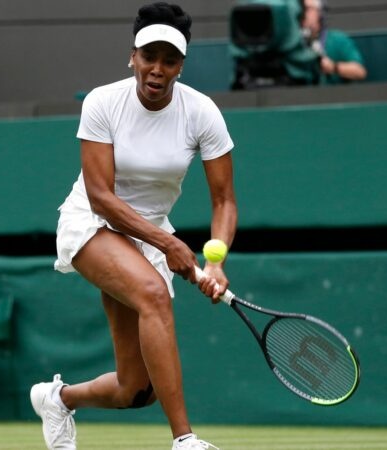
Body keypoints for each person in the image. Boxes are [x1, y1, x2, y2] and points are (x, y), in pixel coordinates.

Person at [30, 2, 237, 450]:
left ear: (182, 65)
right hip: (91, 221)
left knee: (135, 390)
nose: (157, 69)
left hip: (148, 234)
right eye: (149, 57)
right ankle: (185, 439)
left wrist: (215, 258)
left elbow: (224, 199)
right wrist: (169, 244)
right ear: (132, 56)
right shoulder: (103, 102)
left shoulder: (202, 113)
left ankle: (58, 399)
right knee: (153, 293)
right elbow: (102, 195)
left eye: (169, 60)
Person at [300, 0, 367, 84]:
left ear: (320, 12)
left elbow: (360, 72)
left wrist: (333, 67)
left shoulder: (337, 40)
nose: (301, 13)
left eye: (307, 9)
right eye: (300, 9)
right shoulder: (290, 44)